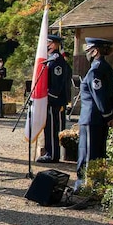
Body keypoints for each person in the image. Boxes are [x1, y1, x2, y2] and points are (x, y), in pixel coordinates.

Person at [75, 37, 113, 192]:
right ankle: (96, 185)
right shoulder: (106, 67)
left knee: (87, 154)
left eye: (89, 49)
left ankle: (85, 186)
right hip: (100, 118)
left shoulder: (96, 69)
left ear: (95, 51)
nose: (87, 52)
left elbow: (99, 96)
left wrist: (108, 115)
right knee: (98, 153)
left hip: (92, 118)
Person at [37, 34, 72, 163]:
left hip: (54, 100)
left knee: (52, 128)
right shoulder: (51, 58)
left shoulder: (56, 60)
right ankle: (50, 152)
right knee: (49, 127)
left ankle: (52, 154)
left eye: (47, 42)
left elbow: (57, 84)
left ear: (52, 44)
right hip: (51, 100)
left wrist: (49, 97)